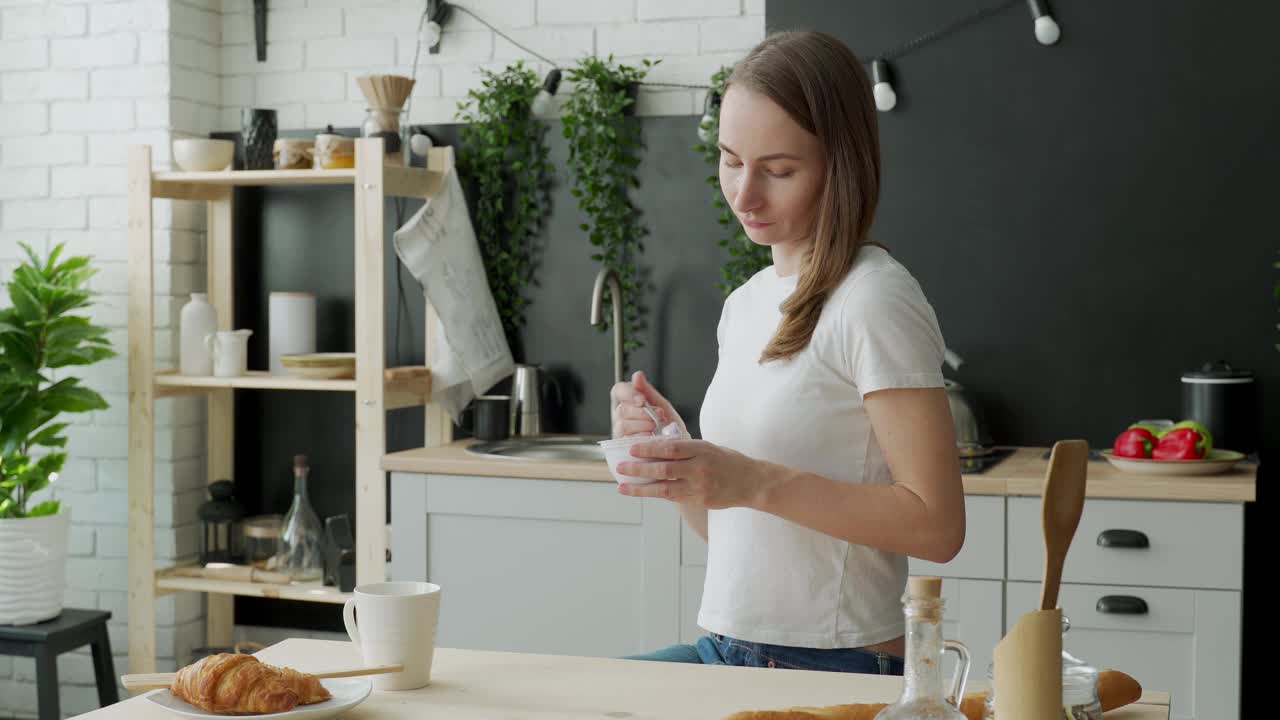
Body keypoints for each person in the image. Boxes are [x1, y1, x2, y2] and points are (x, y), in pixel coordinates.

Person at [612, 31, 965, 675]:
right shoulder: (745, 304)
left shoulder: (874, 297)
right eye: (729, 159)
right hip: (725, 649)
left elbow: (938, 526)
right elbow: (735, 531)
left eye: (778, 170)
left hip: (830, 666)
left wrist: (751, 478)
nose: (744, 194)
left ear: (841, 165)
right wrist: (680, 462)